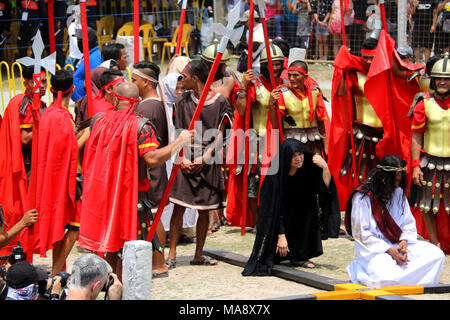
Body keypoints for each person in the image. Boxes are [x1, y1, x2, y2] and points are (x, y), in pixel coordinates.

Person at [79, 82, 193, 279]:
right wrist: (180, 142)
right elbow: (152, 159)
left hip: (101, 193)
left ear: (115, 99)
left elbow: (81, 147)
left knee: (111, 248)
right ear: (138, 102)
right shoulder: (142, 126)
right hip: (128, 197)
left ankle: (113, 286)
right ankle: (120, 287)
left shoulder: (99, 120)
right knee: (126, 248)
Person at [167, 60, 233, 267]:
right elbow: (178, 132)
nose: (181, 81)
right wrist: (183, 158)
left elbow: (222, 134)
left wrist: (205, 158)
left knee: (205, 210)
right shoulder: (182, 103)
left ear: (195, 78)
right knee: (178, 207)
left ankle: (198, 254)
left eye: (184, 77)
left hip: (208, 160)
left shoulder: (220, 102)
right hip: (185, 157)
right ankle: (172, 253)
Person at [345, 155, 445, 287]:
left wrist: (404, 241)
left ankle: (402, 276)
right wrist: (389, 250)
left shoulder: (398, 192)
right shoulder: (362, 197)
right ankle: (360, 269)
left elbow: (408, 224)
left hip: (397, 245)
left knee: (436, 255)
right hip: (374, 251)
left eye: (399, 181)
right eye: (394, 181)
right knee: (385, 275)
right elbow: (361, 234)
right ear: (381, 176)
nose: (396, 185)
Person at [242, 139, 338, 276]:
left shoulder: (307, 168)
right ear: (286, 157)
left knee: (309, 211)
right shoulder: (275, 175)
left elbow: (326, 188)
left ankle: (300, 256)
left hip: (300, 219)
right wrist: (281, 237)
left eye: (301, 154)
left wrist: (325, 167)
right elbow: (272, 210)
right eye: (294, 156)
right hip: (279, 221)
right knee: (273, 256)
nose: (299, 159)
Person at [34, 69, 89, 275]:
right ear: (72, 88)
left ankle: (57, 271)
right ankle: (56, 271)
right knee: (74, 228)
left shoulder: (47, 113)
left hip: (53, 178)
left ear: (50, 89)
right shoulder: (61, 117)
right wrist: (88, 133)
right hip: (68, 179)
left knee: (62, 226)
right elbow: (71, 149)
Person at [226, 44, 286, 231]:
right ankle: (259, 221)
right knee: (252, 183)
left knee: (273, 183)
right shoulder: (255, 83)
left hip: (276, 140)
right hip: (256, 141)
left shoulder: (285, 84)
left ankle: (273, 220)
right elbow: (241, 110)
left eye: (278, 64)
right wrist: (243, 86)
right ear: (264, 65)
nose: (275, 68)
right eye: (272, 64)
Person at [0, 65, 47, 257]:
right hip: (24, 167)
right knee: (22, 211)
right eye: (39, 81)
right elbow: (25, 139)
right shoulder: (26, 104)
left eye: (44, 81)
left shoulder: (35, 103)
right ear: (27, 82)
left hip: (28, 165)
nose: (42, 85)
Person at [132, 61, 171, 277]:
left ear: (146, 82)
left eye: (135, 80)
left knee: (152, 218)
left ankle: (159, 263)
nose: (133, 84)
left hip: (151, 172)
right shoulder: (152, 103)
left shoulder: (147, 106)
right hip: (153, 170)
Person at [409, 56, 450, 254]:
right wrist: (416, 164)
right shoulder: (423, 103)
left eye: (447, 79)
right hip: (430, 163)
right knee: (428, 205)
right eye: (439, 79)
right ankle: (435, 244)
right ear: (433, 80)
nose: (443, 82)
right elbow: (416, 137)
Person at [269, 60, 329, 157]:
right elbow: (276, 124)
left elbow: (321, 122)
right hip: (291, 142)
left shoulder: (315, 92)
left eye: (296, 75)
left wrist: (326, 146)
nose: (291, 79)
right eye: (289, 75)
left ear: (305, 77)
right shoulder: (282, 93)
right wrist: (271, 105)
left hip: (314, 142)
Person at [71, 26, 102, 103]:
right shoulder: (88, 56)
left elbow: (95, 83)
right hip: (82, 102)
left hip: (87, 103)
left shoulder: (94, 58)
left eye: (79, 40)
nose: (78, 42)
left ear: (89, 41)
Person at [410, 0, 438, 64]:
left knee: (428, 45)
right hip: (418, 25)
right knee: (416, 45)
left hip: (428, 25)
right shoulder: (415, 0)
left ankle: (426, 63)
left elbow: (435, 13)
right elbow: (411, 13)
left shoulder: (432, 1)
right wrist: (415, 6)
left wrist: (433, 25)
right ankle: (418, 62)